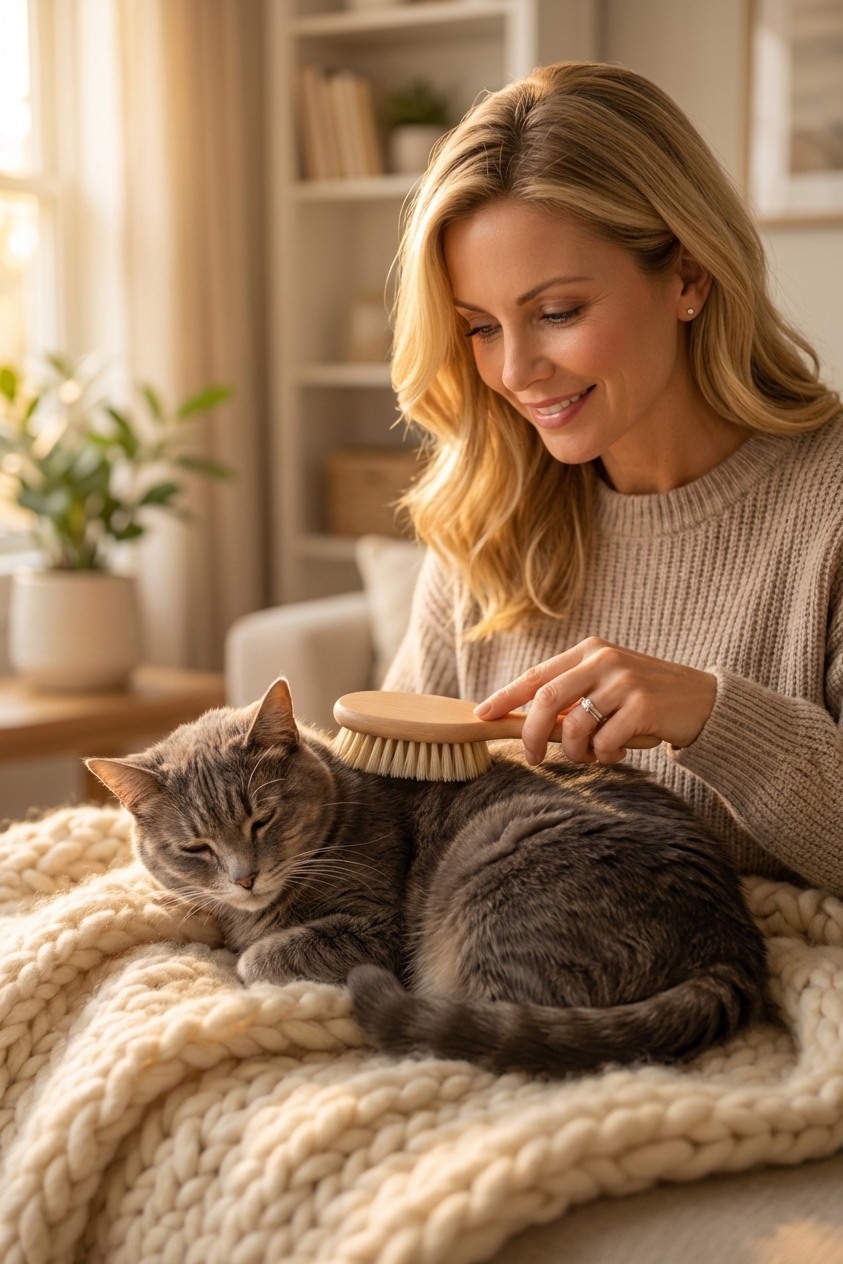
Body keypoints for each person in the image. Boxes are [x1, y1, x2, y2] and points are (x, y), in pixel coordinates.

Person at [383, 62, 843, 895]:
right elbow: (391, 807)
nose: (516, 370)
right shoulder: (490, 512)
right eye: (481, 328)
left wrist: (713, 717)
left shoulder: (830, 507)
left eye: (557, 313)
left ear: (689, 276)